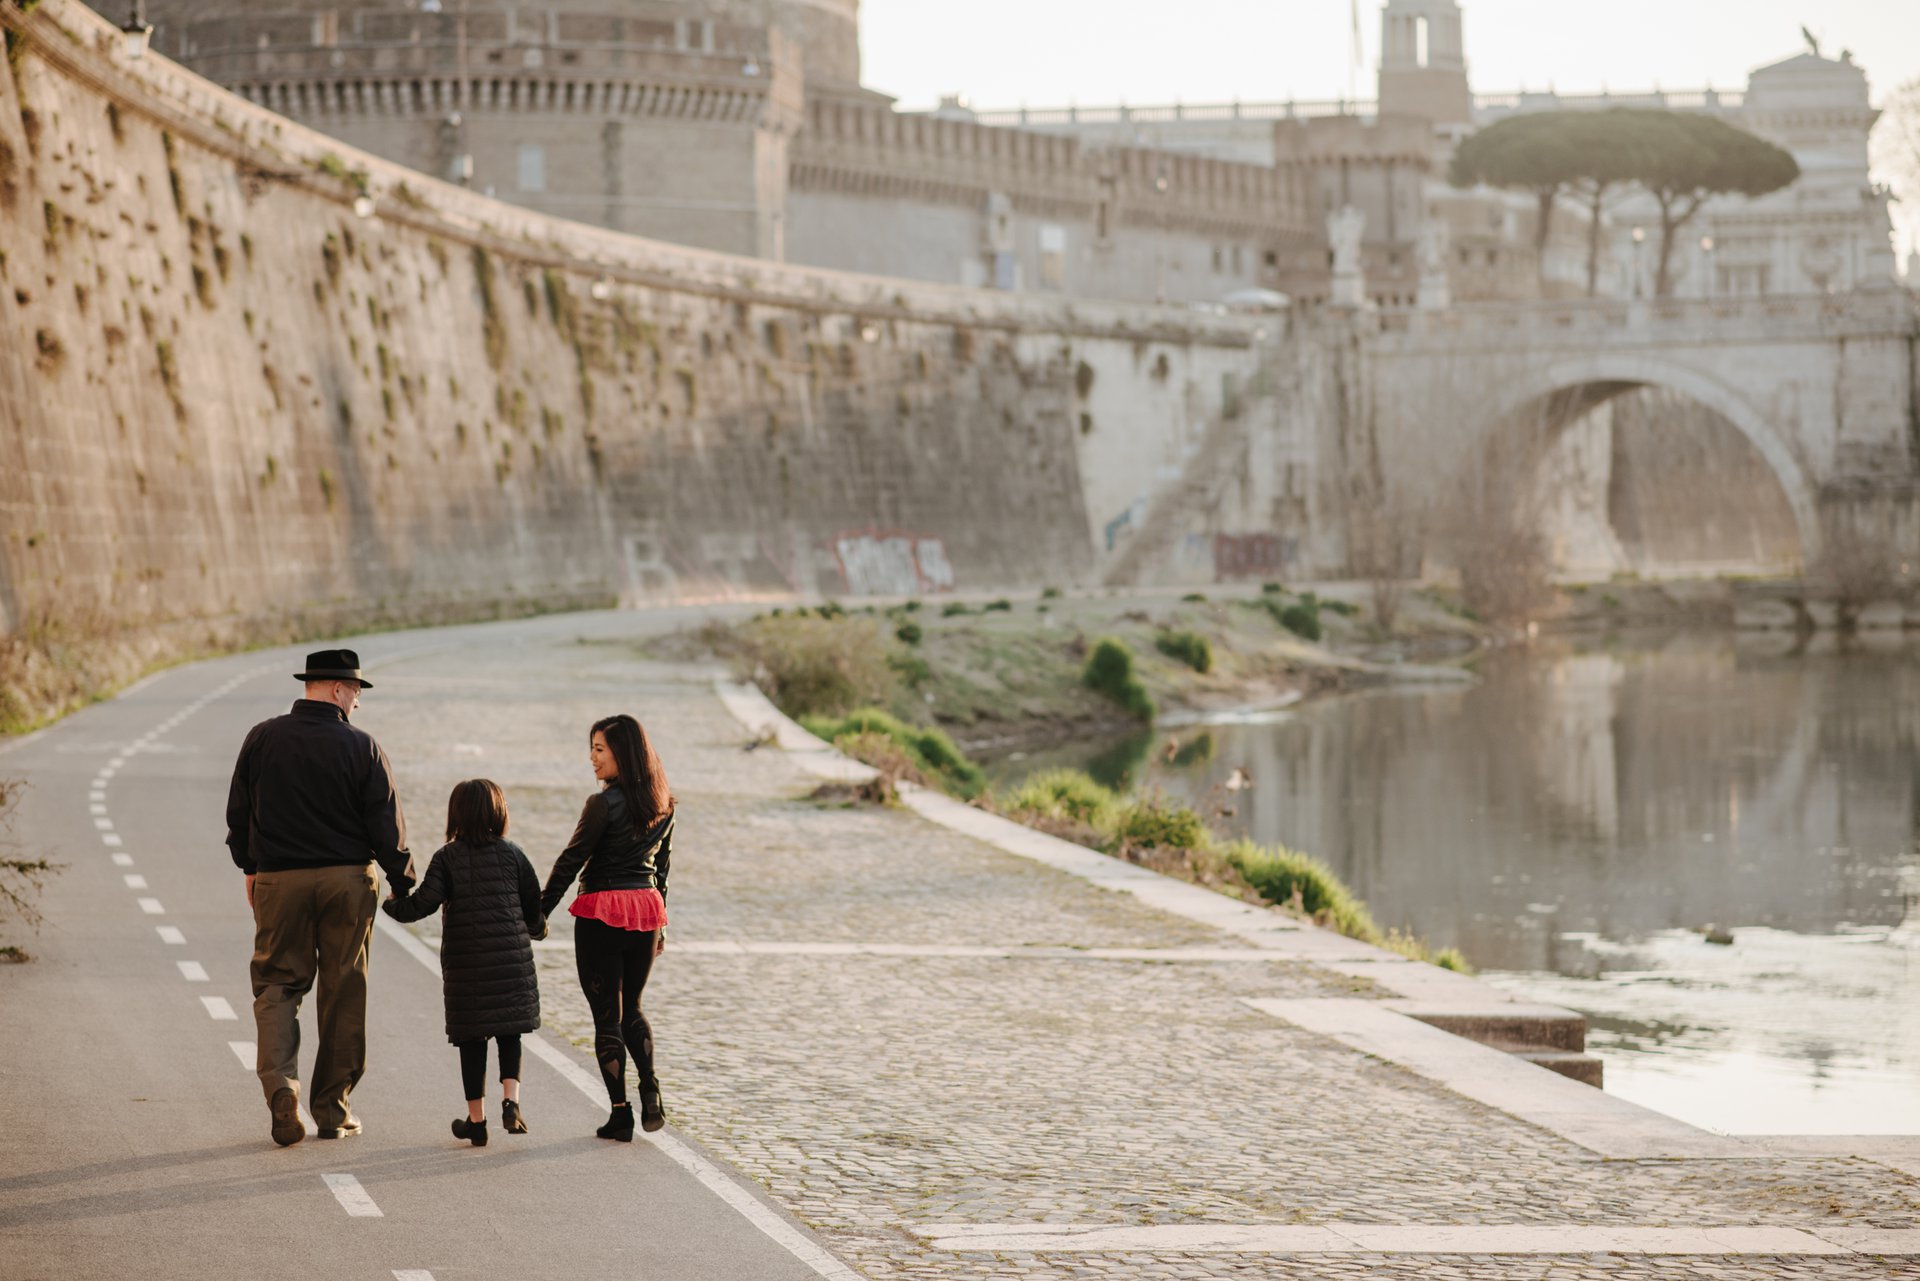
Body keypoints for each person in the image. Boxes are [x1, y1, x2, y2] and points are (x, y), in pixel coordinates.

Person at [225, 648, 415, 1147]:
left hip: (279, 880)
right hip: (347, 881)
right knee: (343, 991)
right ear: (336, 689)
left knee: (276, 987)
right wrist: (403, 879)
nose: (358, 702)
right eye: (356, 692)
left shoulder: (262, 738)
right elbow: (386, 823)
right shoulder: (362, 747)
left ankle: (281, 1088)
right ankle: (332, 1111)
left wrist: (251, 868)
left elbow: (239, 812)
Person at [382, 779, 546, 1148]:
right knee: (509, 1032)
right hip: (511, 962)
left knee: (472, 1042)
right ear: (498, 812)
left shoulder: (447, 857)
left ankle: (477, 1122)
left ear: (455, 814)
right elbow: (532, 904)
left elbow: (423, 903)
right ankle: (511, 1102)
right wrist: (538, 929)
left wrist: (391, 903)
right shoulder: (514, 854)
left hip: (467, 967)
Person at [541, 714, 674, 1141]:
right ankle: (650, 1089)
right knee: (632, 1006)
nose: (592, 759)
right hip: (646, 911)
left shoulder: (601, 805)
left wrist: (539, 912)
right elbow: (662, 870)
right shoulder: (664, 801)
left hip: (603, 910)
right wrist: (662, 928)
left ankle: (620, 1113)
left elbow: (571, 860)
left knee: (606, 1018)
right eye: (592, 749)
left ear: (624, 754)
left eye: (600, 749)